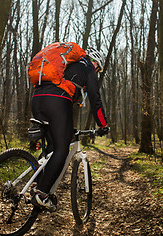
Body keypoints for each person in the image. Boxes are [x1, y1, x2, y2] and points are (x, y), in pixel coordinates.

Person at [30, 46, 109, 208]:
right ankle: (43, 194)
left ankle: (35, 184)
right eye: (98, 69)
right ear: (96, 63)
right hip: (56, 101)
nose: (97, 72)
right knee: (62, 148)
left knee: (51, 147)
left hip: (37, 97)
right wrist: (103, 125)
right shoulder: (88, 68)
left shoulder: (66, 65)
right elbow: (95, 100)